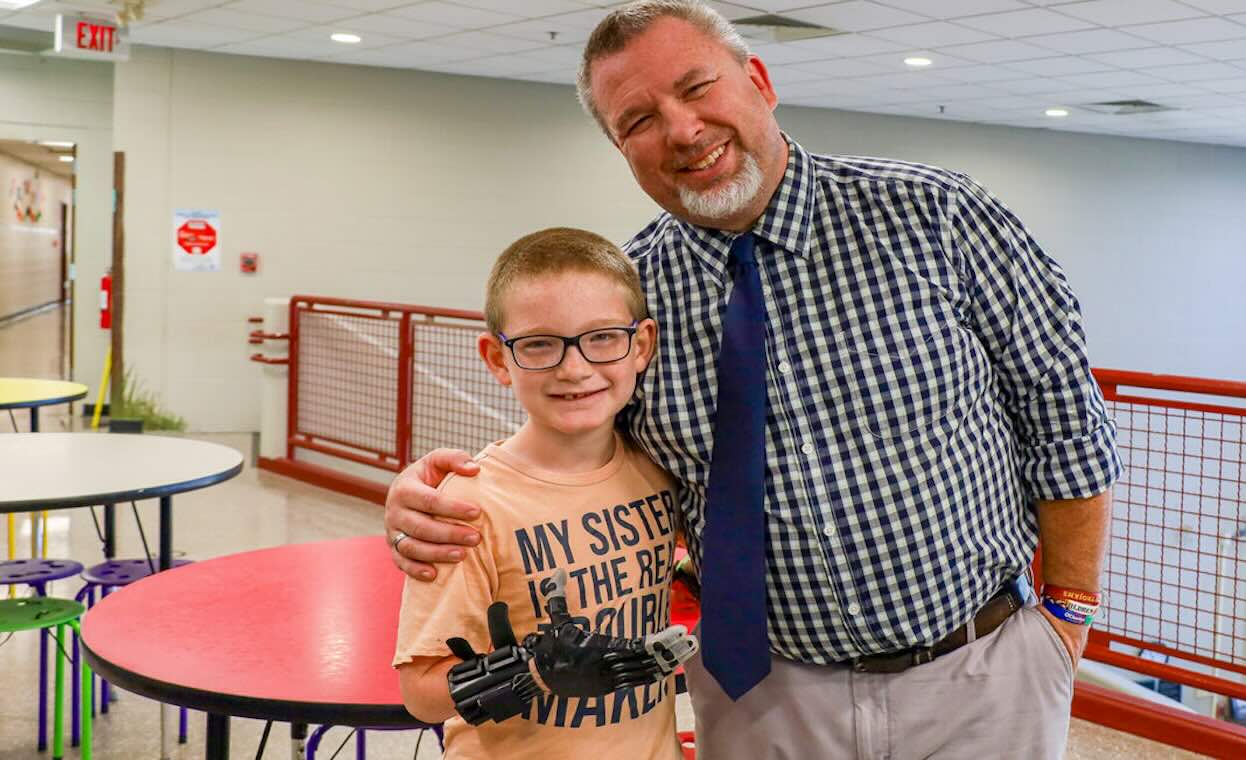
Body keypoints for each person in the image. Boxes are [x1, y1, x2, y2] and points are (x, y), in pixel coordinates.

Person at [386, 2, 1121, 757]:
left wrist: (1066, 616)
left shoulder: (937, 217)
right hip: (763, 695)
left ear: (759, 81)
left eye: (697, 87)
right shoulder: (633, 299)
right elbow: (576, 441)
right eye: (637, 120)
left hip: (979, 673)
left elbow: (1063, 419)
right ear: (620, 147)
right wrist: (431, 495)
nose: (680, 129)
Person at [394, 227, 693, 760]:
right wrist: (533, 670)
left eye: (602, 337)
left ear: (641, 345)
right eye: (539, 344)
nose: (574, 368)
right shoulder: (467, 505)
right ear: (497, 359)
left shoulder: (659, 468)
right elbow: (420, 694)